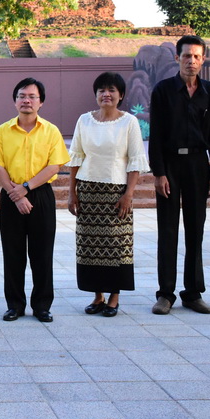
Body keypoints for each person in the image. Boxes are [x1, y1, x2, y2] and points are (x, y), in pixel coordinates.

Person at [149, 35, 210, 315]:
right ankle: (165, 294)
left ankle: (192, 293)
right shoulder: (163, 91)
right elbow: (155, 135)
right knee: (167, 230)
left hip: (197, 166)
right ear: (177, 59)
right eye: (186, 56)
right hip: (170, 165)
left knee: (195, 229)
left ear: (203, 60)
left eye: (196, 56)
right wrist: (159, 173)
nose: (191, 61)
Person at [0, 78, 69, 323]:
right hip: (10, 194)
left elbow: (55, 165)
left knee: (42, 253)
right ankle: (15, 305)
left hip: (40, 194)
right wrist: (15, 192)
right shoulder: (3, 131)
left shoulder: (51, 131)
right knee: (13, 254)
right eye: (22, 96)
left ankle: (42, 305)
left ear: (41, 102)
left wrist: (26, 188)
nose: (26, 101)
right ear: (15, 100)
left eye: (32, 96)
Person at [67, 72, 149, 318]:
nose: (107, 94)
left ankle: (114, 297)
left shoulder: (129, 123)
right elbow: (76, 157)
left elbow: (135, 161)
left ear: (121, 95)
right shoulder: (85, 120)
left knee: (116, 245)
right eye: (102, 90)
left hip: (116, 192)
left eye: (112, 90)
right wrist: (72, 192)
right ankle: (97, 296)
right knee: (90, 246)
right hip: (88, 191)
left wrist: (129, 194)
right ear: (95, 94)